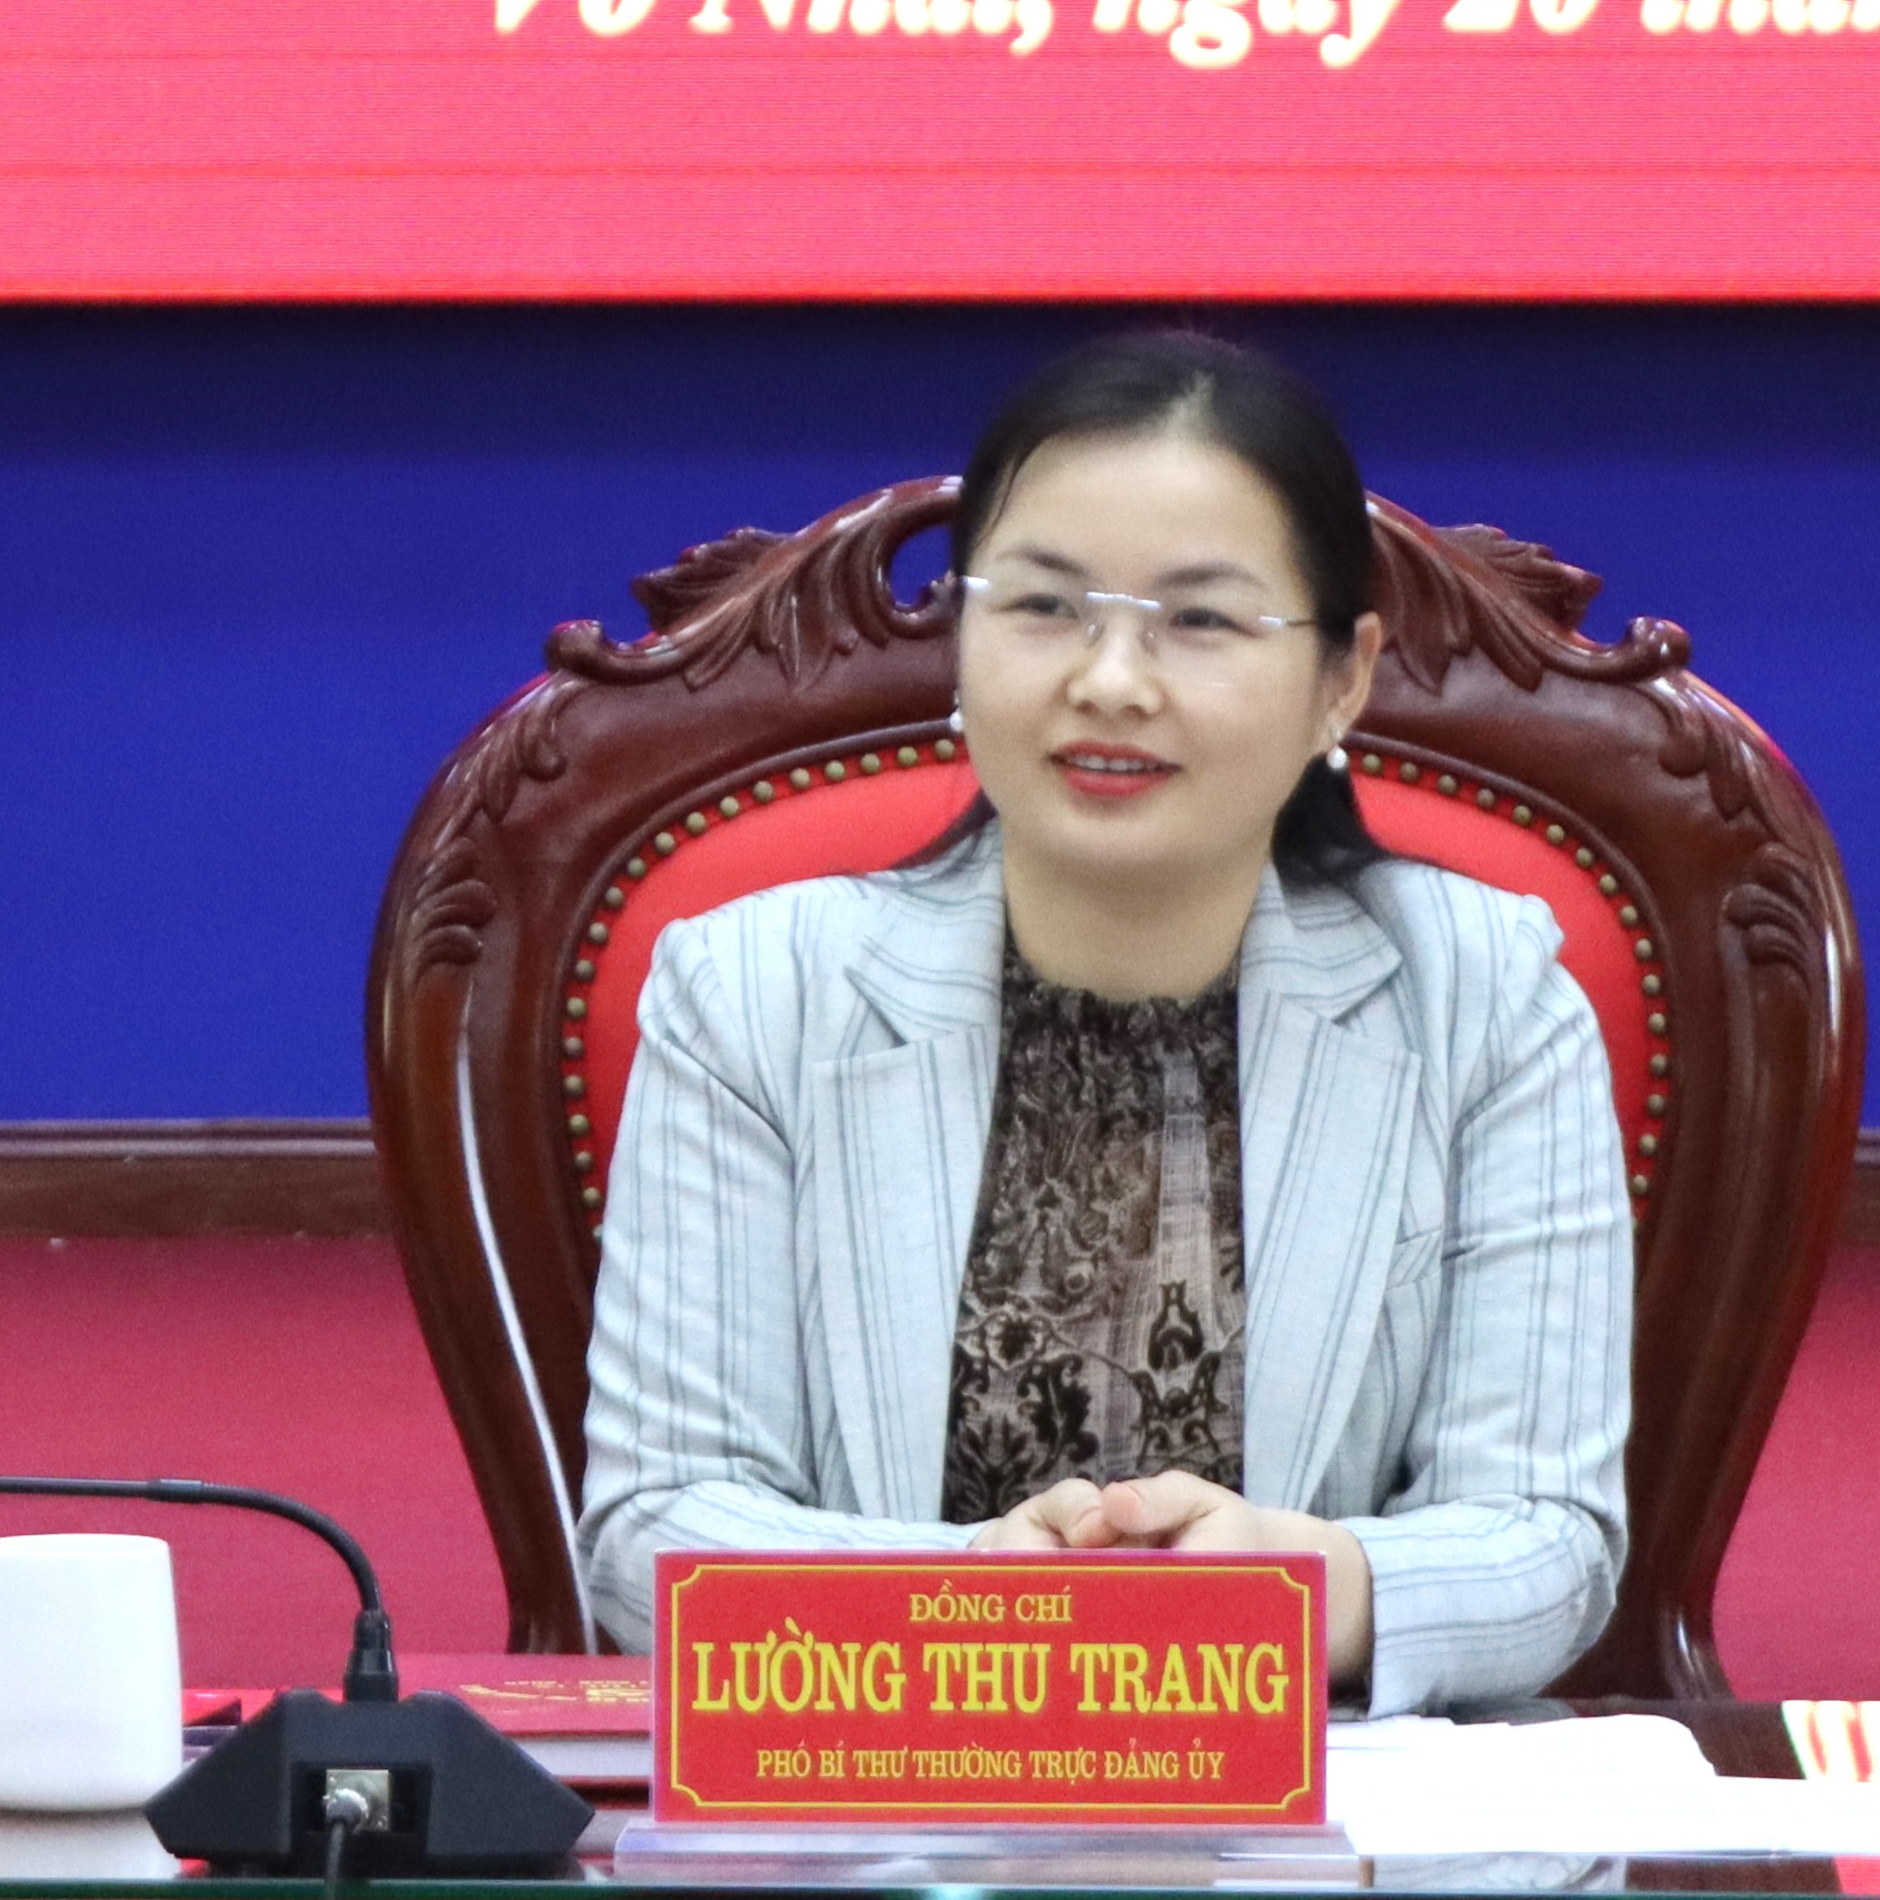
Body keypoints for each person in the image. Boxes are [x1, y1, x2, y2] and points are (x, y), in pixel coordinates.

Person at [579, 329, 1632, 1710]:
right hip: (889, 1776)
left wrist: (1297, 1588)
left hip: (1333, 1791)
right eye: (1042, 605)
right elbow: (652, 1527)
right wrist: (981, 1597)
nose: (1111, 680)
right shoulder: (752, 993)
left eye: (1200, 620)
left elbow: (1548, 1538)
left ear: (1341, 677)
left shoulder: (1482, 998)